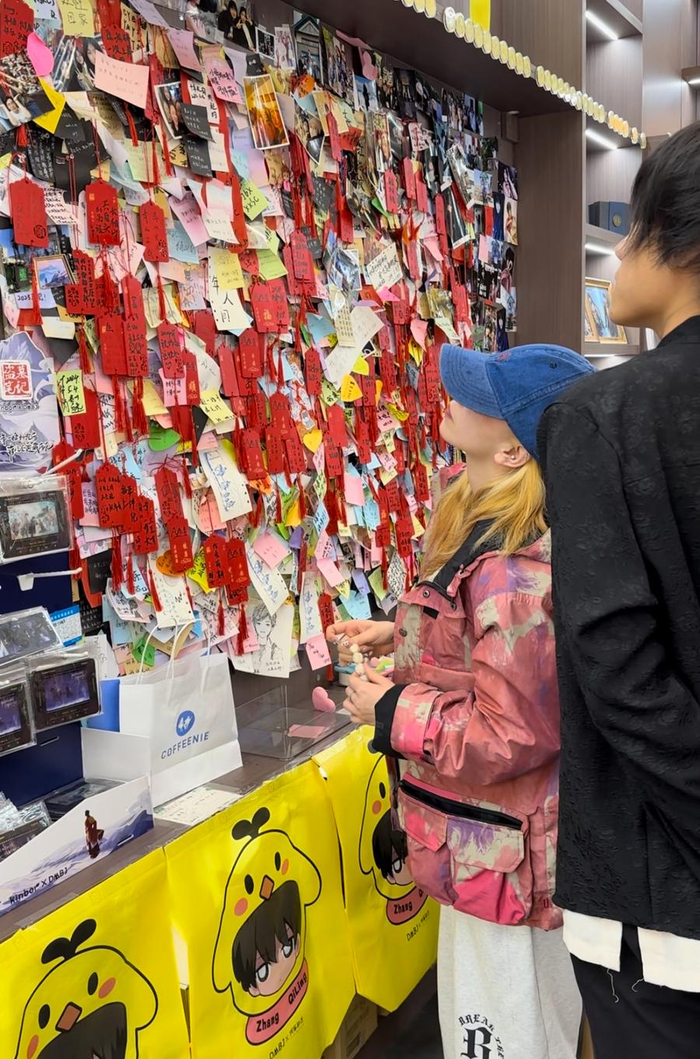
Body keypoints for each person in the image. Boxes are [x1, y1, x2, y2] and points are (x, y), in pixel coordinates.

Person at [328, 343, 593, 1059]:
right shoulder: (489, 527)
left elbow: (512, 732)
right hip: (486, 848)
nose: (454, 398)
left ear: (512, 450)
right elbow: (494, 657)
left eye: (482, 397)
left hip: (505, 860)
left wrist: (391, 712)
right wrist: (402, 634)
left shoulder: (512, 569)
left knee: (504, 1033)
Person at [538, 121, 700, 1059]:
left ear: (678, 239)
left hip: (660, 908)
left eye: (633, 228)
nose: (621, 254)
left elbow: (622, 675)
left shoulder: (601, 415)